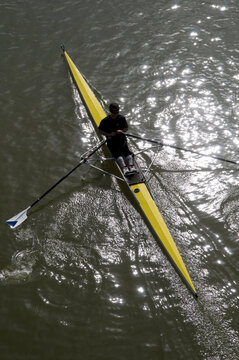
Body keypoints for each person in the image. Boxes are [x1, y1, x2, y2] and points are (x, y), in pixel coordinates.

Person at [98, 103, 137, 176]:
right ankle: (124, 169)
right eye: (114, 113)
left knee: (127, 152)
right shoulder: (105, 121)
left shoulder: (121, 118)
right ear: (110, 111)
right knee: (118, 155)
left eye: (117, 112)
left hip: (121, 139)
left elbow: (126, 128)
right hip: (111, 141)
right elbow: (100, 131)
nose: (115, 114)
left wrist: (121, 131)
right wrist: (109, 134)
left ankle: (132, 167)